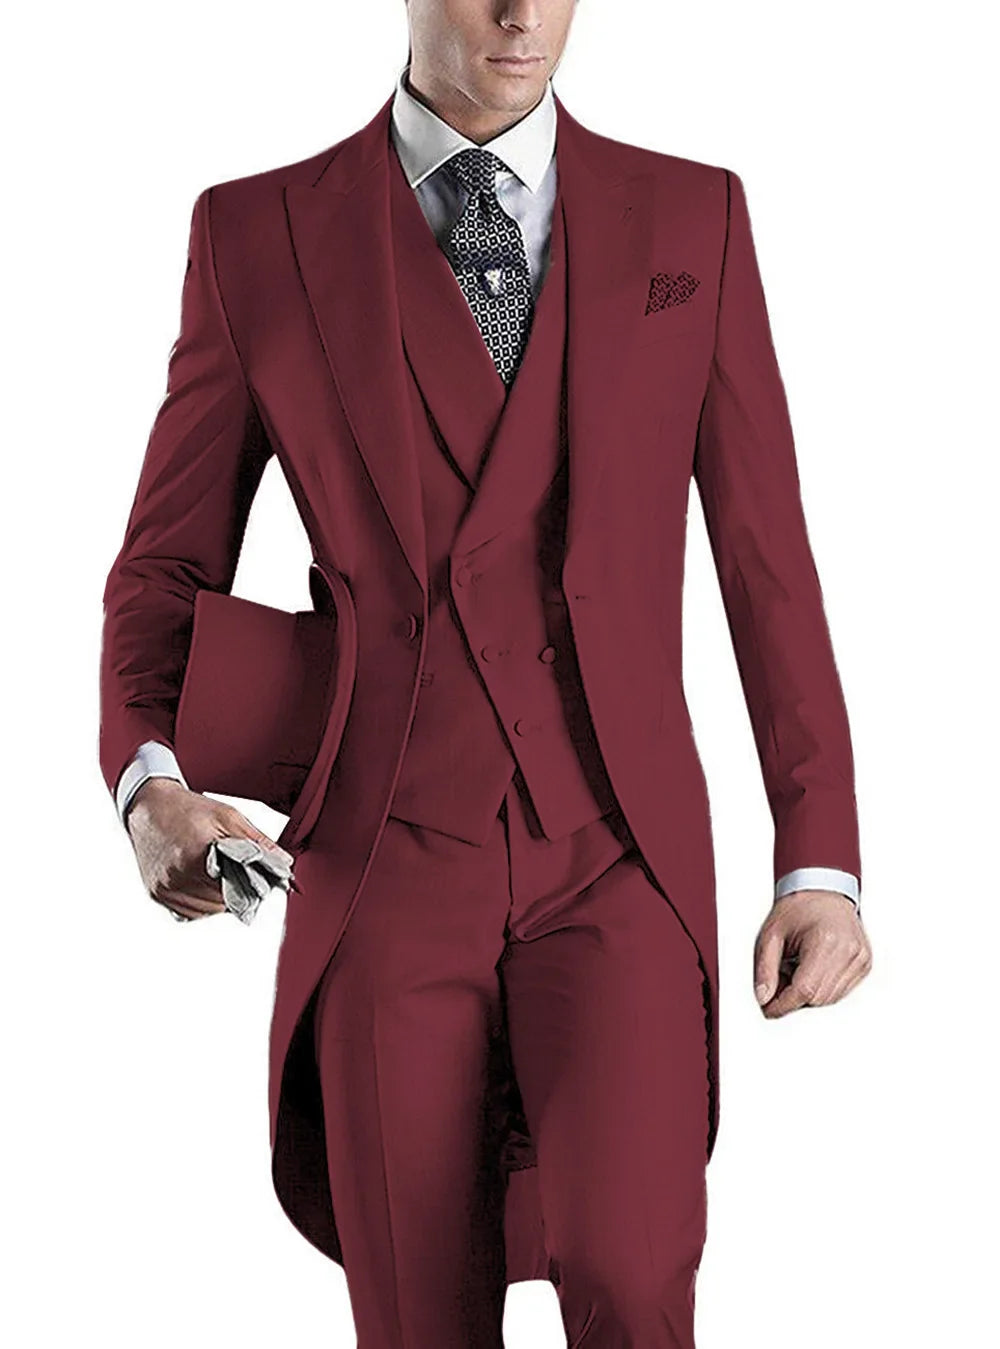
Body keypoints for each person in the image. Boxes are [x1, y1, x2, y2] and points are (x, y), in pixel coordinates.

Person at [99, 2, 873, 1343]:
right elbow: (162, 569)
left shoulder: (693, 218)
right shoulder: (255, 235)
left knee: (636, 1276)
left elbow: (767, 562)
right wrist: (148, 787)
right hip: (383, 863)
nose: (522, 11)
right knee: (416, 1313)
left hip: (617, 851)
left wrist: (820, 857)